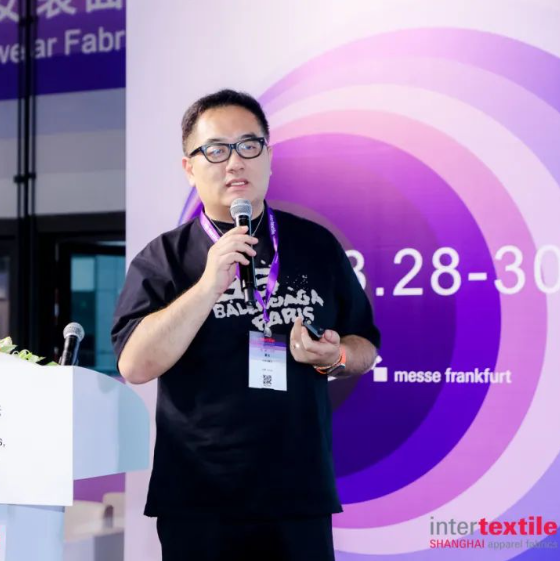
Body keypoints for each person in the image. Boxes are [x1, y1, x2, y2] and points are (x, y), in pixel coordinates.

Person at [111, 89, 380, 561]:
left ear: (268, 157)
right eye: (216, 150)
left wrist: (335, 355)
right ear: (189, 168)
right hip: (200, 498)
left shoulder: (316, 245)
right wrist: (207, 286)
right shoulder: (164, 259)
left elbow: (365, 346)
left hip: (299, 493)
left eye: (248, 145)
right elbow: (134, 365)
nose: (235, 162)